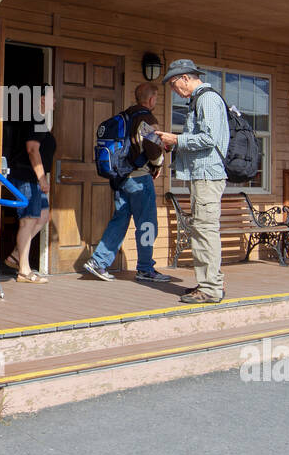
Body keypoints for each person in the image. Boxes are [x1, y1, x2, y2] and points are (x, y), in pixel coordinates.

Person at [81, 83, 175, 284]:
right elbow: (153, 146)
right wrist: (157, 165)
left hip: (121, 178)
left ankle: (98, 261)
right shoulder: (146, 118)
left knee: (120, 220)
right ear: (150, 99)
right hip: (139, 179)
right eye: (156, 99)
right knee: (147, 225)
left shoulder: (125, 116)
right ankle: (145, 268)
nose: (156, 102)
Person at [155, 59, 230, 303]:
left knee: (205, 231)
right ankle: (208, 284)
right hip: (203, 175)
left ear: (186, 78)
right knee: (203, 230)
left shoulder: (207, 99)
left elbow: (208, 138)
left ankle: (210, 289)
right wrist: (174, 143)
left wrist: (177, 140)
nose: (175, 91)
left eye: (175, 85)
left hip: (207, 176)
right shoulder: (200, 100)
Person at [5, 85, 56, 283]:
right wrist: (42, 178)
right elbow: (32, 150)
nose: (55, 100)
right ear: (41, 99)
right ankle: (24, 271)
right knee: (28, 220)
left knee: (42, 216)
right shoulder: (34, 118)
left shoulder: (37, 118)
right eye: (51, 97)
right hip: (26, 176)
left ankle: (16, 255)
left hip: (31, 178)